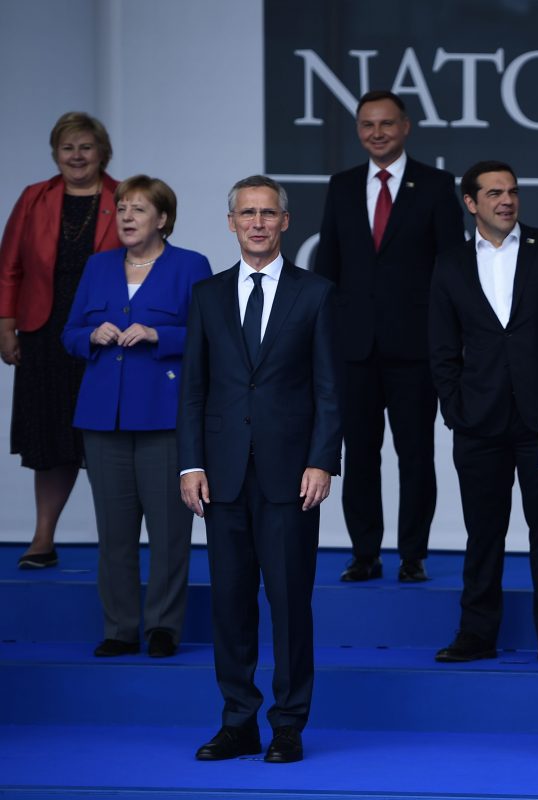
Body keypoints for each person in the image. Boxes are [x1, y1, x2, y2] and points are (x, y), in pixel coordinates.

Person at [179, 176, 341, 764]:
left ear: (285, 222)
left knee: (290, 605)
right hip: (221, 475)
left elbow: (329, 389)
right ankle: (238, 723)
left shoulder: (316, 293)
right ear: (231, 223)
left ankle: (289, 725)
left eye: (268, 213)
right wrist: (190, 464)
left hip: (291, 476)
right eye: (247, 213)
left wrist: (322, 460)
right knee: (229, 604)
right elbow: (193, 389)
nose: (257, 222)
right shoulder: (206, 295)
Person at [428, 161, 538, 665]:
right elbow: (441, 348)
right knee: (483, 534)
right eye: (493, 193)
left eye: (512, 191)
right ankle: (476, 634)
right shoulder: (450, 263)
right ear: (471, 203)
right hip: (478, 421)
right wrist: (455, 408)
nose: (507, 200)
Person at [313, 89, 464, 584]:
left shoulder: (437, 185)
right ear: (358, 130)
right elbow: (328, 265)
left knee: (416, 455)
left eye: (385, 123)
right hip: (354, 348)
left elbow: (452, 268)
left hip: (415, 348)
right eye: (367, 124)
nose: (376, 133)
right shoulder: (341, 185)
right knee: (358, 455)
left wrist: (447, 340)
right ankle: (365, 554)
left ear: (405, 127)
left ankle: (413, 555)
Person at [62, 175, 211, 658]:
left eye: (139, 209)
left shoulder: (190, 265)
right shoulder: (98, 265)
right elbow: (69, 333)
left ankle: (163, 627)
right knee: (114, 533)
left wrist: (158, 334)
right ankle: (120, 628)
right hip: (102, 418)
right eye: (122, 208)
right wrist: (90, 335)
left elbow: (209, 335)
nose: (126, 217)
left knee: (169, 532)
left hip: (164, 419)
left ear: (163, 218)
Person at [0, 111, 120, 568]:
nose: (77, 155)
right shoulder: (34, 197)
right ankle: (42, 540)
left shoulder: (122, 197)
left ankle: (116, 545)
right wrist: (6, 324)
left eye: (86, 147)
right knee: (50, 440)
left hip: (103, 336)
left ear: (102, 153)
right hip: (44, 334)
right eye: (68, 147)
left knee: (103, 442)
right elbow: (9, 265)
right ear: (55, 153)